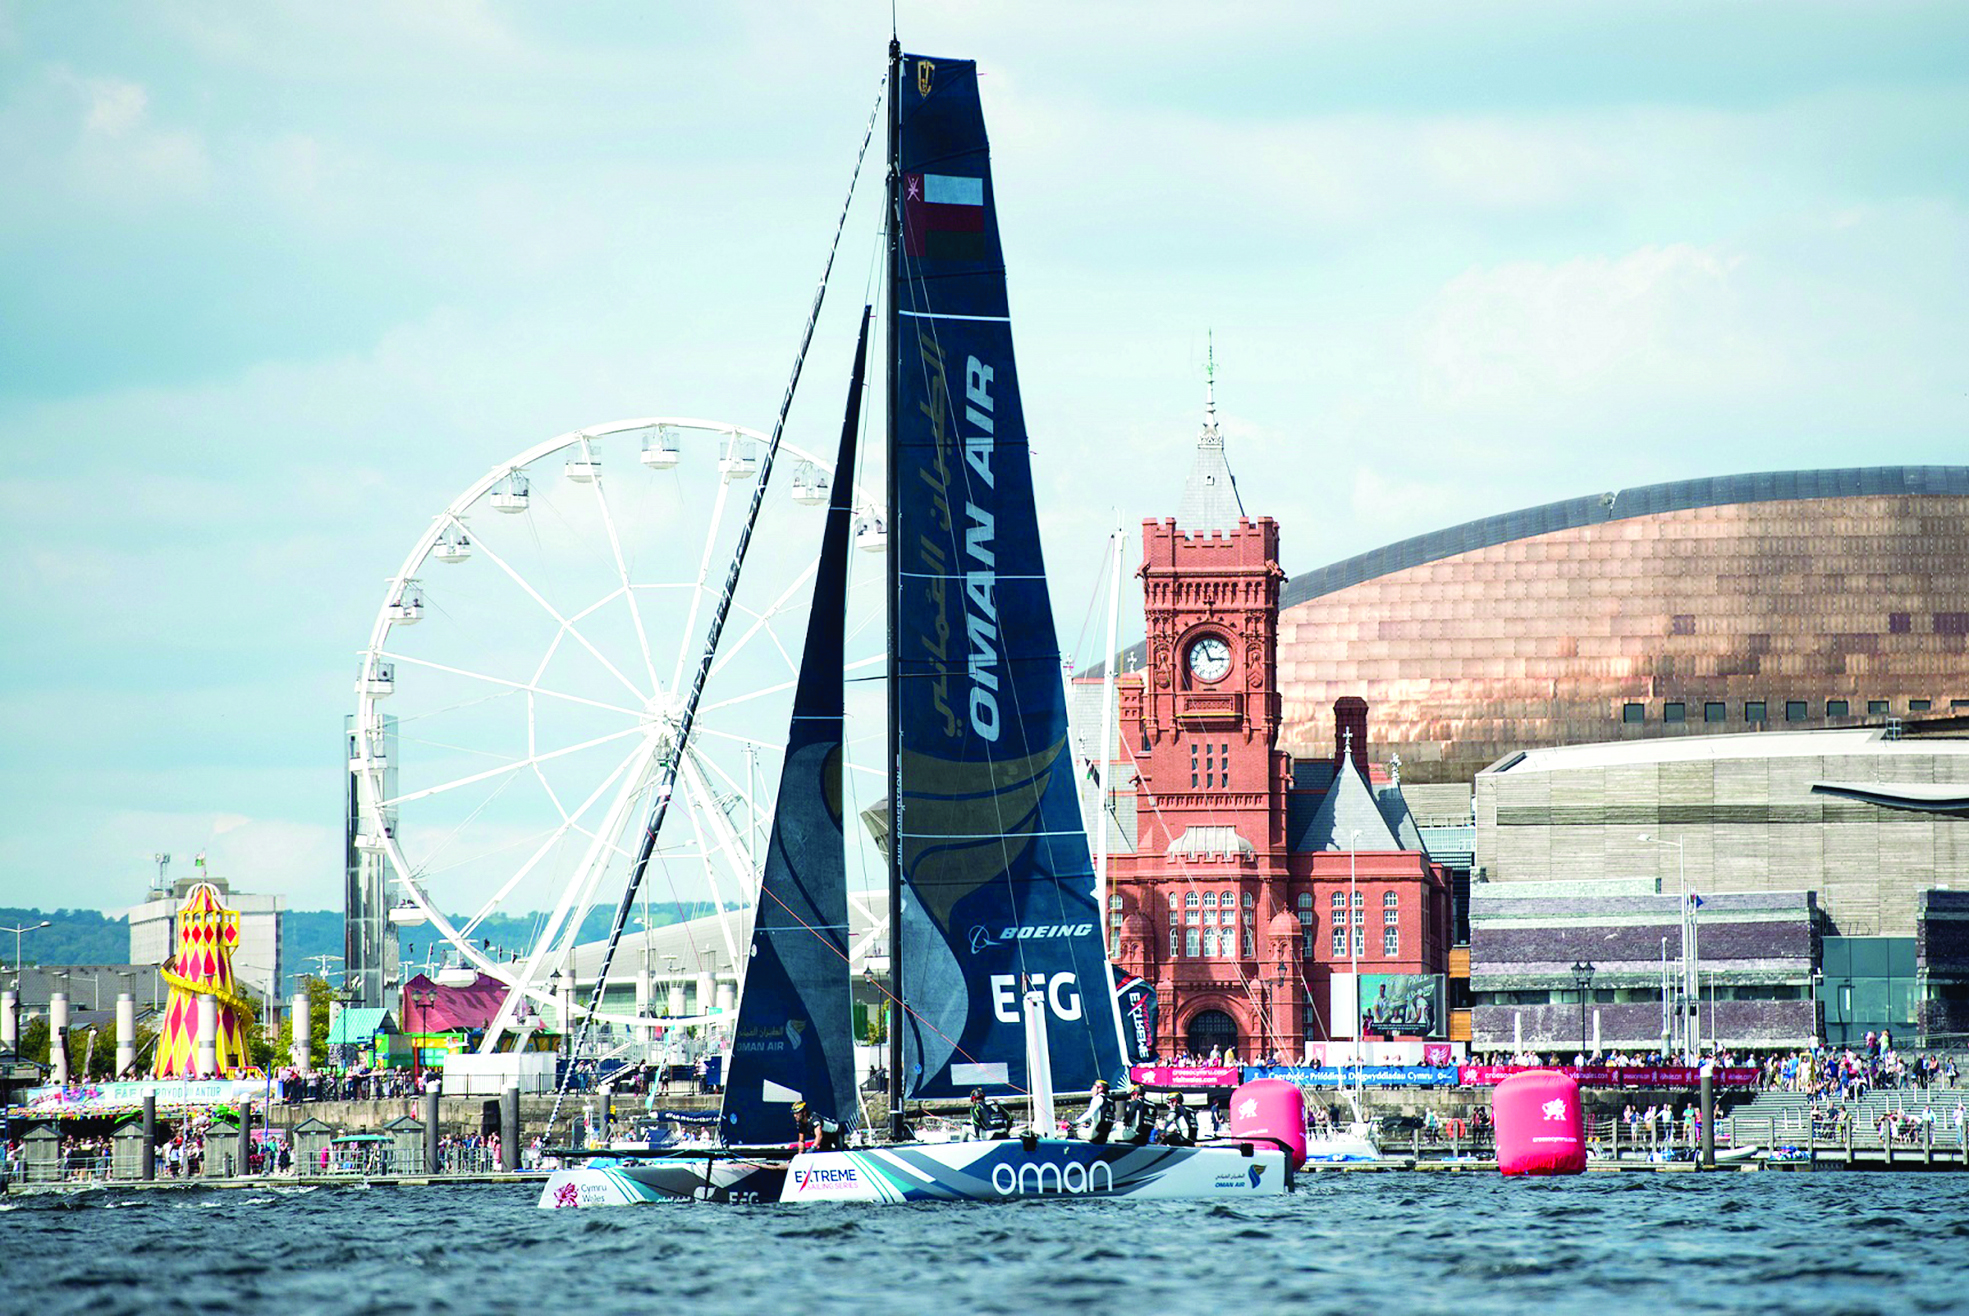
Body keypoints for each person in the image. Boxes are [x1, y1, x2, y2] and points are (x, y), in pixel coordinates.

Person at [1074, 1080, 1117, 1144]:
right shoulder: (1110, 1101)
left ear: (1100, 1089)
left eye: (1093, 1087)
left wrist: (1075, 1122)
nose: (1091, 1090)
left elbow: (1089, 1113)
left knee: (1073, 1131)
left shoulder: (1098, 1098)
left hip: (1095, 1133)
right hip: (1105, 1134)